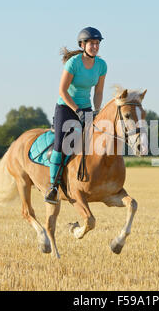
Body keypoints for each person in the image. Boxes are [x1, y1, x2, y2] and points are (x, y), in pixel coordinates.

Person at [45, 27, 107, 204]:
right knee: (61, 145)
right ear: (82, 45)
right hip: (65, 107)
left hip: (86, 108)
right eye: (91, 43)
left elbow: (99, 91)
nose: (95, 46)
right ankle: (53, 187)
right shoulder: (73, 63)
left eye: (97, 43)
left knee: (91, 145)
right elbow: (62, 91)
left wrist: (97, 111)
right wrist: (77, 110)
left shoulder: (102, 65)